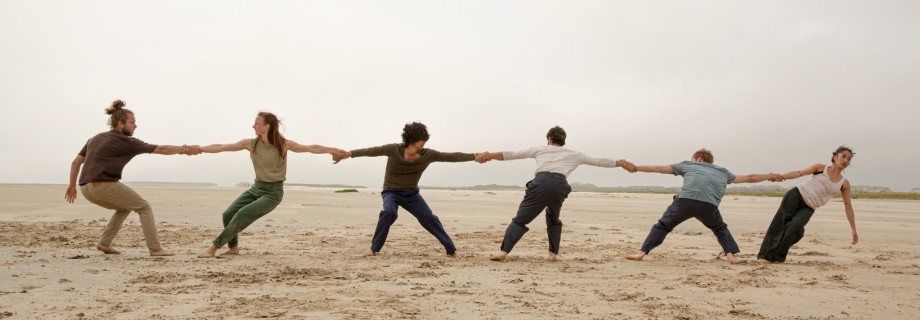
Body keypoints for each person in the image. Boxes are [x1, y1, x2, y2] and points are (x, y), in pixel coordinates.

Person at [195, 112, 344, 258]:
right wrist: (200, 149)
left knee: (242, 214)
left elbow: (312, 148)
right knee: (227, 214)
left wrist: (334, 150)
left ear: (266, 126)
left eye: (256, 123)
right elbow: (222, 146)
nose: (253, 126)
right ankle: (233, 248)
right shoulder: (251, 144)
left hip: (273, 193)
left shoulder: (283, 144)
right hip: (256, 188)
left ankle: (213, 248)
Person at [479, 126, 633, 262]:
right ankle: (553, 254)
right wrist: (619, 163)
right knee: (553, 219)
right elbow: (598, 161)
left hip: (541, 183)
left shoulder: (540, 149)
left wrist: (489, 155)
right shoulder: (575, 154)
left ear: (549, 139)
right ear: (563, 140)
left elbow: (512, 154)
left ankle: (504, 252)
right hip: (560, 186)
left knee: (520, 220)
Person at [65, 100, 195, 256]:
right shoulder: (126, 141)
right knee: (144, 207)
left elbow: (76, 162)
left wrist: (72, 186)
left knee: (124, 207)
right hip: (103, 184)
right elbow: (161, 149)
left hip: (85, 188)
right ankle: (155, 249)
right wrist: (184, 149)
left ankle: (104, 243)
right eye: (132, 122)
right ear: (120, 124)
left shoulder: (93, 139)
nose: (135, 126)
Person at [333, 122, 480, 258]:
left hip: (412, 194)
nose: (424, 143)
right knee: (389, 213)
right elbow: (372, 151)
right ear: (414, 139)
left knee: (429, 218)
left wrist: (474, 156)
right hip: (391, 192)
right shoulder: (394, 150)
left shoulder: (428, 154)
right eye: (422, 140)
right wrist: (348, 154)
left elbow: (450, 157)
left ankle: (451, 250)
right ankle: (373, 249)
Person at [623, 149, 781, 264]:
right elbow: (751, 178)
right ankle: (731, 256)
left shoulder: (688, 165)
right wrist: (770, 176)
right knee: (720, 229)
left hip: (685, 202)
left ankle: (641, 253)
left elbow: (658, 168)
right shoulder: (723, 171)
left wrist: (636, 167)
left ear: (698, 159)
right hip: (709, 206)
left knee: (662, 226)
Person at [757, 146, 858, 263]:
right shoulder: (820, 168)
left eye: (849, 159)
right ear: (835, 157)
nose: (846, 160)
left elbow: (848, 206)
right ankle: (764, 256)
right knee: (778, 225)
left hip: (809, 207)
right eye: (843, 156)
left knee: (795, 228)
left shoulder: (844, 183)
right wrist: (782, 177)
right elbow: (799, 173)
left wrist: (853, 230)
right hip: (796, 196)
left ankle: (778, 256)